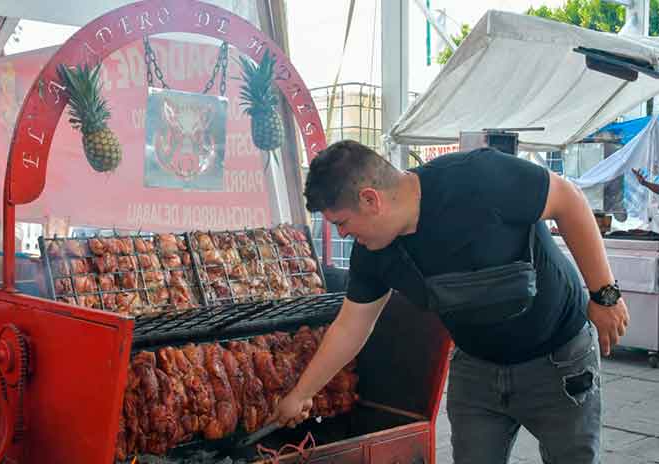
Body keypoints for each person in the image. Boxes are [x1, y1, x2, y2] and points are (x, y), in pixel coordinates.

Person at [269, 140, 629, 464]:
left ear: (370, 199)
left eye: (342, 223)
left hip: (557, 359)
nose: (342, 234)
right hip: (477, 368)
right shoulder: (374, 253)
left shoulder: (478, 178)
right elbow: (351, 326)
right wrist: (301, 394)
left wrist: (604, 295)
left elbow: (568, 200)